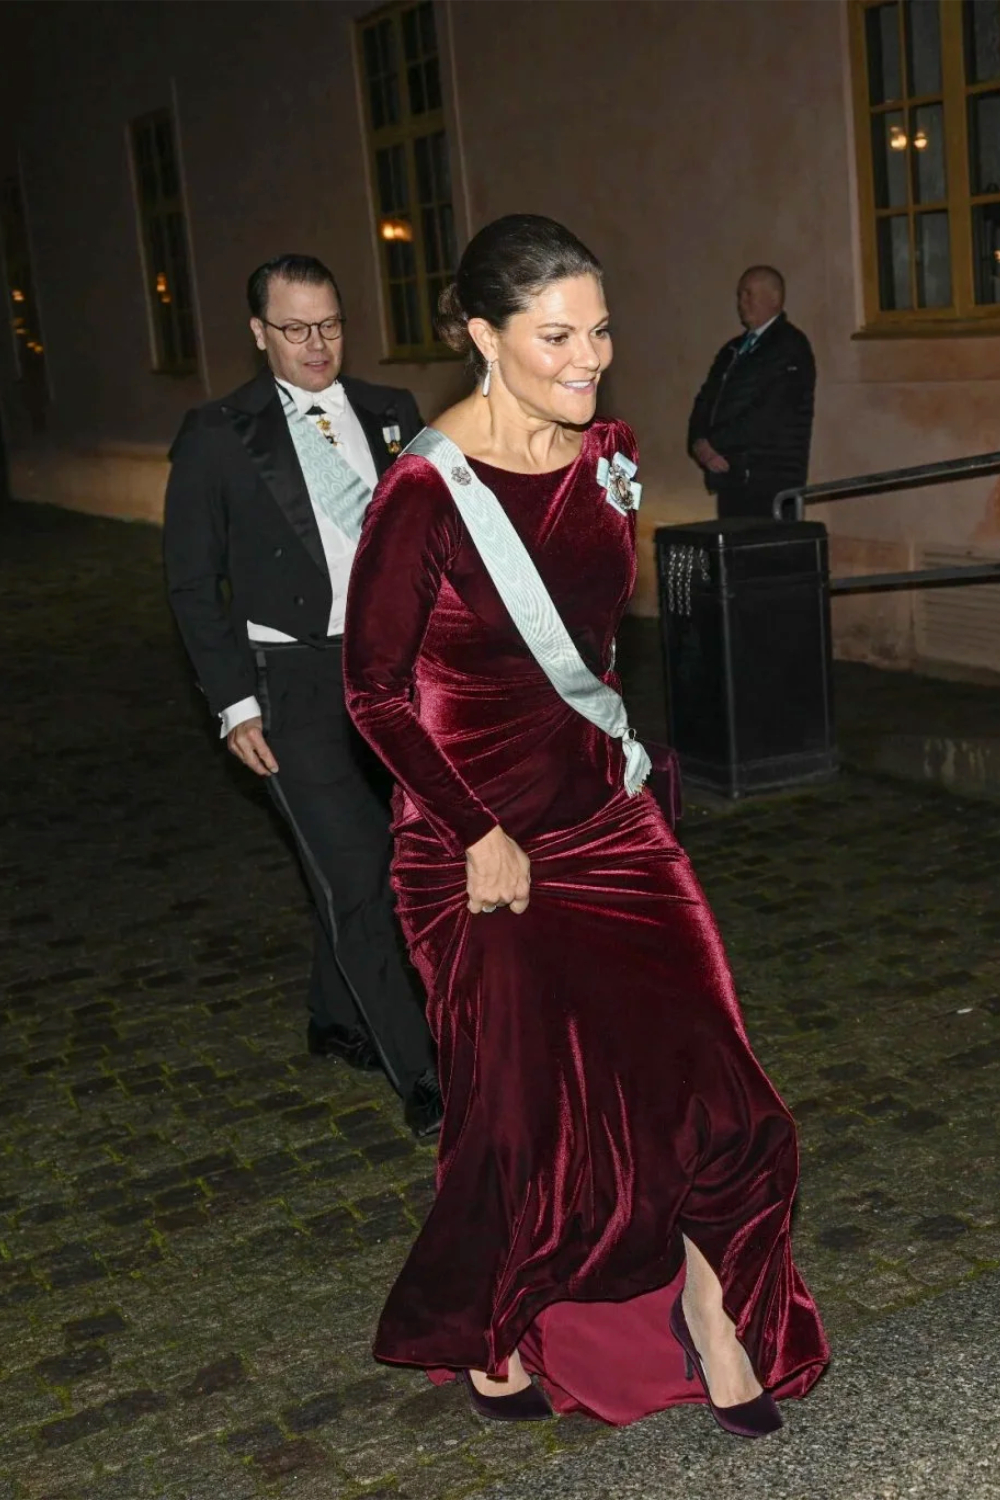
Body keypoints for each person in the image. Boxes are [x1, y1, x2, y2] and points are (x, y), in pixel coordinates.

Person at [342, 215, 828, 1428]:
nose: (589, 357)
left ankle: (716, 1313)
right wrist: (472, 829)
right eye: (556, 334)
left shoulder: (606, 450)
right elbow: (372, 690)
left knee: (714, 1076)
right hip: (475, 846)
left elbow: (597, 638)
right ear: (480, 336)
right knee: (522, 1116)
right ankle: (494, 1317)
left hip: (606, 819)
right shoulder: (422, 493)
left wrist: (612, 761)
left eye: (600, 329)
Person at [163, 253, 442, 1138]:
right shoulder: (217, 434)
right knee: (364, 872)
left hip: (392, 670)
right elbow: (188, 582)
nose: (316, 344)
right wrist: (234, 703)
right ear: (258, 333)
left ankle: (336, 1015)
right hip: (290, 682)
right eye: (294, 329)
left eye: (328, 324)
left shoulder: (391, 414)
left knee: (386, 852)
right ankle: (427, 1073)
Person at [687, 265, 816, 519]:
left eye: (748, 294)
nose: (741, 303)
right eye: (739, 296)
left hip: (769, 481)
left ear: (775, 298)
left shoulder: (790, 347)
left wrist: (715, 443)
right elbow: (705, 400)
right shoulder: (733, 350)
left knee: (767, 555)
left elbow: (771, 413)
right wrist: (699, 442)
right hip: (731, 478)